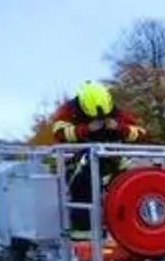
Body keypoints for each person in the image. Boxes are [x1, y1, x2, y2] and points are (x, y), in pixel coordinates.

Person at [50, 81, 147, 238]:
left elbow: (140, 133)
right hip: (79, 159)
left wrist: (119, 128)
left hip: (114, 158)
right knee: (82, 181)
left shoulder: (116, 112)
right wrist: (86, 129)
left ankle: (136, 226)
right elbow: (59, 133)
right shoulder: (69, 110)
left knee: (134, 181)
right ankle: (84, 231)